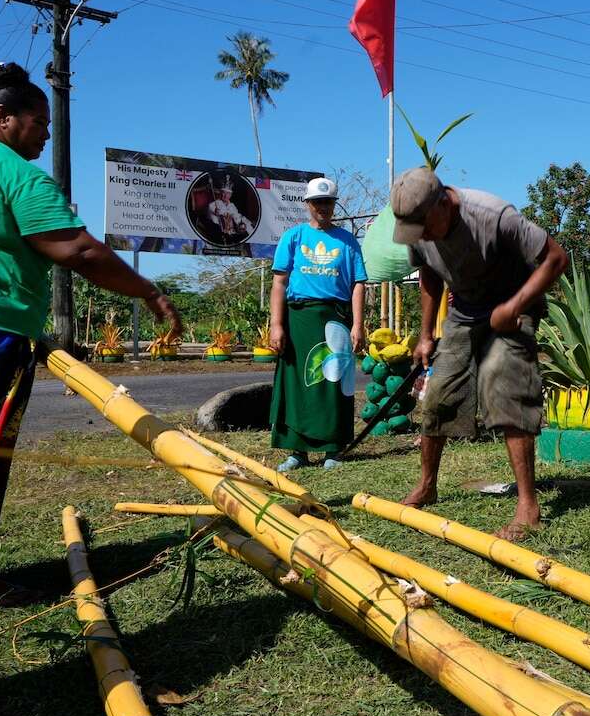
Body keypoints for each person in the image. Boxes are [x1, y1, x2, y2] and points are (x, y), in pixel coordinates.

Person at [0, 62, 182, 605]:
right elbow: (79, 250)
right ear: (4, 117)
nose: (46, 132)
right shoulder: (14, 172)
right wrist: (149, 292)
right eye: (39, 121)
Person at [390, 166, 569, 541]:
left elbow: (556, 258)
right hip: (464, 312)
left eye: (424, 226)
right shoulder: (417, 223)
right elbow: (428, 276)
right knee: (437, 399)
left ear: (444, 203)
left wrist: (515, 305)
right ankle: (427, 485)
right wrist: (425, 334)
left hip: (511, 310)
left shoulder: (492, 216)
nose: (420, 235)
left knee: (506, 391)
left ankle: (528, 505)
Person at [268, 176, 367, 470]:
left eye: (328, 202)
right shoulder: (294, 237)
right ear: (308, 205)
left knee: (333, 380)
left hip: (336, 317)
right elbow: (279, 282)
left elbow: (358, 284)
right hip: (299, 318)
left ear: (334, 205)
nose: (322, 207)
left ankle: (333, 449)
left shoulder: (347, 241)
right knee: (296, 382)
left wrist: (358, 324)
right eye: (317, 202)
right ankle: (296, 452)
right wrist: (277, 324)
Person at [207, 174, 254, 240]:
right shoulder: (213, 204)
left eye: (228, 193)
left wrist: (246, 224)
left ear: (231, 195)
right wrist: (215, 213)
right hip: (219, 232)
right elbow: (210, 215)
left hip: (233, 232)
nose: (225, 195)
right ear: (220, 193)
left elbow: (237, 216)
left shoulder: (232, 205)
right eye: (224, 193)